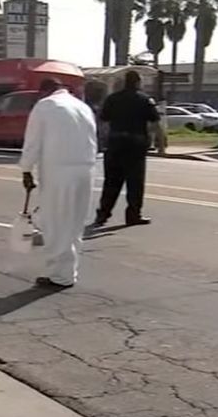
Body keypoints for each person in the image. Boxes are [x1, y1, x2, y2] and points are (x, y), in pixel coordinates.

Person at [20, 78, 98, 290]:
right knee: (73, 225)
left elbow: (33, 142)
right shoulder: (83, 107)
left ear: (45, 91)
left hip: (59, 172)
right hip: (86, 171)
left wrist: (26, 169)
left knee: (56, 224)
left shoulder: (45, 106)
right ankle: (68, 272)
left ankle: (59, 275)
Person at [94, 70, 161, 227]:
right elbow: (155, 122)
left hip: (115, 144)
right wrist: (158, 143)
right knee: (135, 183)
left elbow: (103, 119)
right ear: (138, 82)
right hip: (135, 146)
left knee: (111, 182)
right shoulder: (144, 100)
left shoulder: (113, 98)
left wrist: (104, 139)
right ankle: (133, 215)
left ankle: (103, 214)